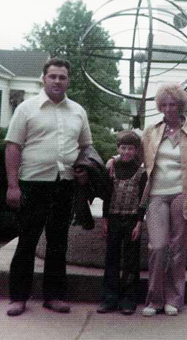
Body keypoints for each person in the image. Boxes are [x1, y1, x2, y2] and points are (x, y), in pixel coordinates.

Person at [5, 57, 93, 316]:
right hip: (32, 184)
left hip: (64, 185)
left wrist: (84, 171)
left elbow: (86, 147)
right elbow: (13, 147)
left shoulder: (78, 111)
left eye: (62, 77)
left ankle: (54, 296)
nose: (57, 81)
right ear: (43, 78)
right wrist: (12, 186)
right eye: (52, 76)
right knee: (27, 242)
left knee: (58, 243)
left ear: (68, 80)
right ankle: (18, 298)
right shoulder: (26, 108)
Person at [141, 82, 187, 317]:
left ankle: (174, 299)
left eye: (174, 104)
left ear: (181, 106)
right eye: (165, 104)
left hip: (183, 193)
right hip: (156, 195)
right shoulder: (151, 131)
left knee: (177, 249)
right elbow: (142, 160)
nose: (169, 108)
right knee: (158, 246)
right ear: (160, 106)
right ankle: (154, 300)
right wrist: (116, 161)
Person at [97, 130, 147, 315]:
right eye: (123, 148)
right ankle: (108, 298)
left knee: (131, 261)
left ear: (136, 150)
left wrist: (139, 223)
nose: (126, 152)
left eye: (131, 149)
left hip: (132, 219)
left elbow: (143, 200)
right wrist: (105, 220)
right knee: (111, 258)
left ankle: (128, 299)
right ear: (118, 148)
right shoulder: (111, 169)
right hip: (114, 218)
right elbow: (106, 196)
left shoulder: (141, 172)